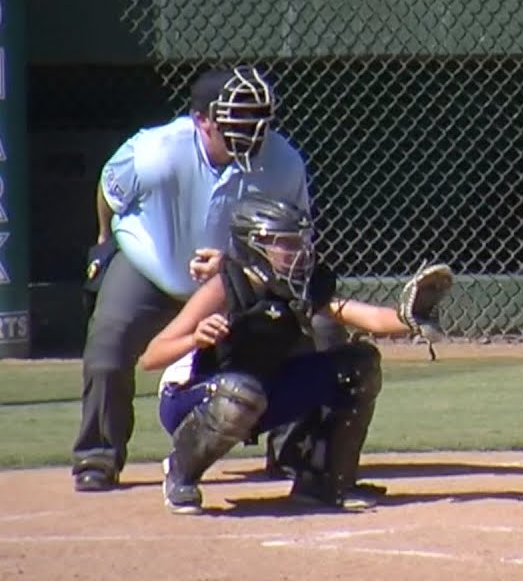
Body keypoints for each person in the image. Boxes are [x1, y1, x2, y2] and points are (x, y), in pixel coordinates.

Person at [139, 193, 453, 514]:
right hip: (191, 395)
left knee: (358, 365)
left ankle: (322, 481)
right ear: (253, 245)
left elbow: (367, 317)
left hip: (257, 392)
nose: (297, 252)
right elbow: (151, 357)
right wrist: (195, 337)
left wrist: (409, 318)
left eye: (298, 242)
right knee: (241, 392)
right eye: (284, 244)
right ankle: (181, 472)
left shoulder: (299, 288)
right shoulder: (225, 288)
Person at [73, 66, 310, 492]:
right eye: (239, 119)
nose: (253, 131)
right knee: (109, 345)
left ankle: (295, 456)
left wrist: (234, 266)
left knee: (307, 332)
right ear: (202, 119)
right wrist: (105, 241)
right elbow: (109, 192)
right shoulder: (156, 151)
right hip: (152, 264)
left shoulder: (283, 161)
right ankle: (98, 456)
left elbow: (288, 238)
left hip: (235, 275)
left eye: (259, 119)